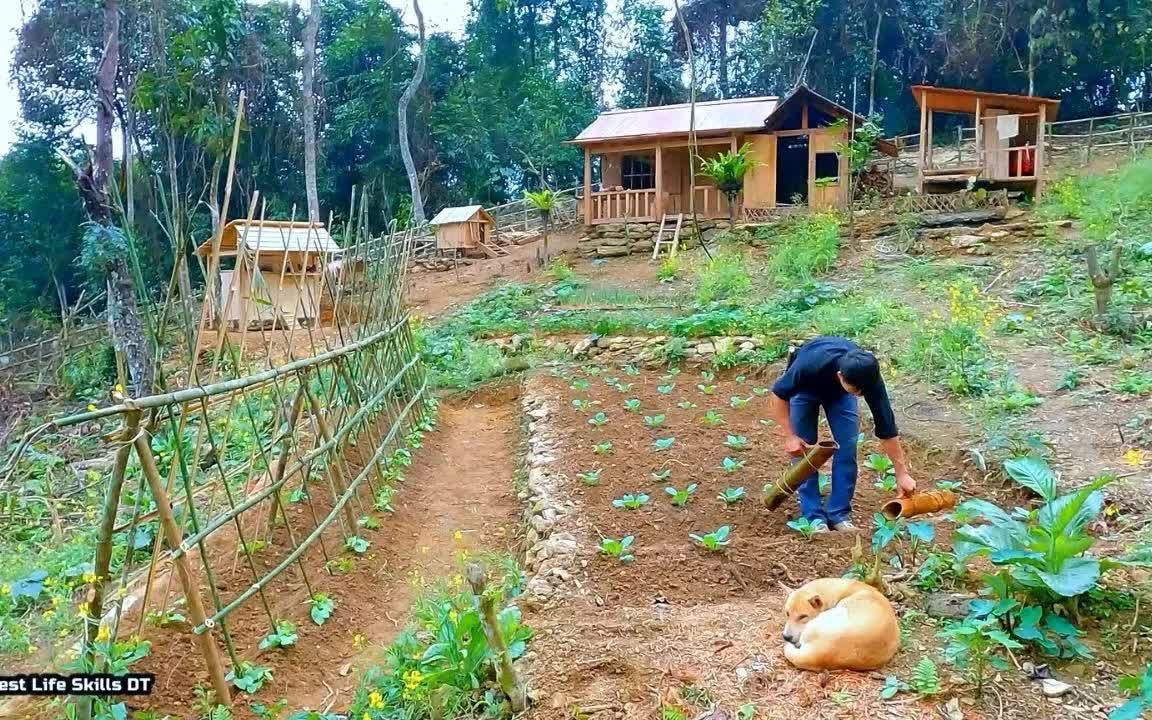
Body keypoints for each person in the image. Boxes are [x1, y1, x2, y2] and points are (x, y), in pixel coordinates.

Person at [767, 336, 916, 533]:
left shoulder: (867, 379)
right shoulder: (808, 365)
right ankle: (812, 516)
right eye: (856, 391)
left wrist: (902, 473)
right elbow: (777, 395)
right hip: (805, 389)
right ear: (839, 376)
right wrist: (790, 436)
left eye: (863, 392)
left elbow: (887, 428)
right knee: (803, 451)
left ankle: (838, 514)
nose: (860, 396)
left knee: (846, 447)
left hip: (840, 396)